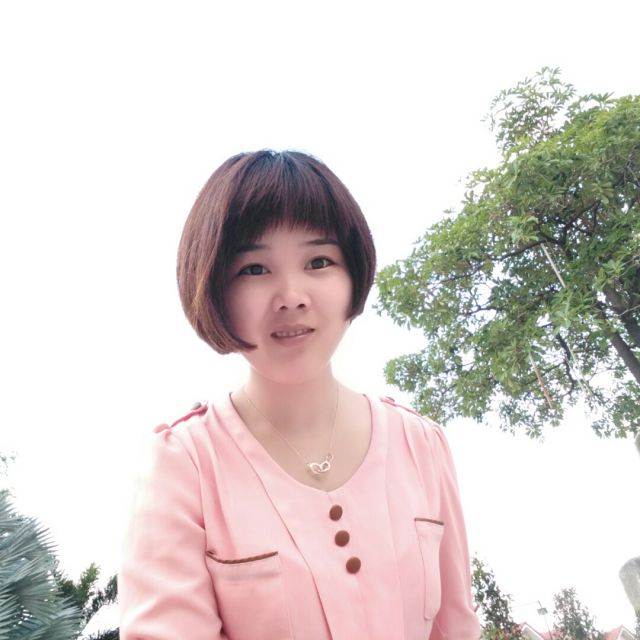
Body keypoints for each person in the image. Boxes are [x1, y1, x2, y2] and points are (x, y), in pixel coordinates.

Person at [118, 150, 480, 640]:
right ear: (213, 288)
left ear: (353, 274)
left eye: (319, 261)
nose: (291, 296)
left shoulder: (422, 446)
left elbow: (456, 627)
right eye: (254, 269)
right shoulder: (184, 465)